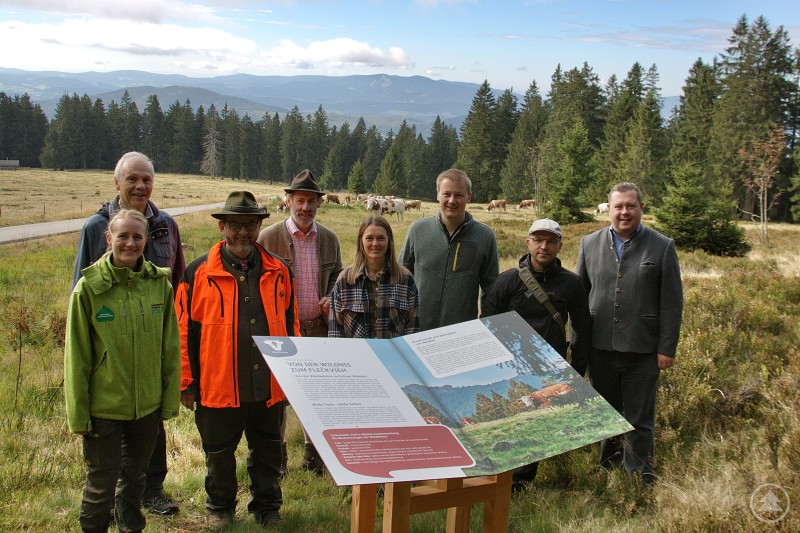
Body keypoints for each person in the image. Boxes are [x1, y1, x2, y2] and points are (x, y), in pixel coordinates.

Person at [71, 151, 185, 516]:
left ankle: (153, 491)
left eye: (146, 179)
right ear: (116, 181)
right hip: (111, 363)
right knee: (106, 468)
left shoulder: (166, 224)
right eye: (132, 179)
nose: (140, 186)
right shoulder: (95, 226)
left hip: (149, 354)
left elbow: (176, 277)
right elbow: (82, 290)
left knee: (147, 441)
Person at [176, 191, 299, 528]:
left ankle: (267, 506)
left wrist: (294, 377)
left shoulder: (280, 271)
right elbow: (183, 334)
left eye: (250, 225)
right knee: (218, 455)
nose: (243, 233)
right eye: (235, 225)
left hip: (268, 383)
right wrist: (186, 383)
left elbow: (292, 327)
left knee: (268, 451)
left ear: (260, 225)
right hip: (217, 385)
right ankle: (220, 507)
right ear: (222, 228)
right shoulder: (197, 273)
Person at [575, 182, 683, 486]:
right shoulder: (589, 243)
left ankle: (639, 475)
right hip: (600, 346)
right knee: (607, 414)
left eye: (630, 206)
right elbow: (580, 299)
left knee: (639, 419)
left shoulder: (662, 246)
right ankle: (608, 469)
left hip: (644, 348)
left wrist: (667, 348)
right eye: (618, 206)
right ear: (609, 209)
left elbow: (672, 303)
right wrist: (579, 346)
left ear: (641, 208)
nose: (624, 212)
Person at [482, 217, 591, 488]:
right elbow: (488, 322)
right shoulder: (507, 281)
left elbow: (582, 327)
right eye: (538, 240)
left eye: (551, 241)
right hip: (511, 364)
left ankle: (520, 481)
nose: (544, 246)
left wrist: (576, 368)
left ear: (560, 246)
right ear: (528, 242)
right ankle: (495, 472)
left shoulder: (572, 284)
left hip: (550, 365)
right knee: (506, 416)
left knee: (535, 420)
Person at [257, 169, 343, 475]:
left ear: (319, 204)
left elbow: (338, 279)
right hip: (282, 331)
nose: (305, 207)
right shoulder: (268, 238)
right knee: (277, 396)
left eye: (311, 201)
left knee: (316, 396)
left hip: (317, 328)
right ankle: (277, 457)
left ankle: (313, 456)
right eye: (300, 200)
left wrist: (331, 297)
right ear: (288, 200)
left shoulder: (330, 240)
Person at [399, 168, 499, 331]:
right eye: (447, 194)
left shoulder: (485, 236)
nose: (452, 200)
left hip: (462, 334)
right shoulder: (418, 229)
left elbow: (491, 287)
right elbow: (400, 278)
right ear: (438, 194)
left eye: (459, 195)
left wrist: (486, 327)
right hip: (416, 330)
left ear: (469, 197)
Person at [329, 215, 419, 339]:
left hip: (393, 356)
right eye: (369, 238)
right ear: (361, 241)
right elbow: (335, 330)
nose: (375, 243)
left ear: (389, 241)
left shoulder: (405, 278)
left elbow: (412, 328)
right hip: (356, 355)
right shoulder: (345, 279)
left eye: (381, 238)